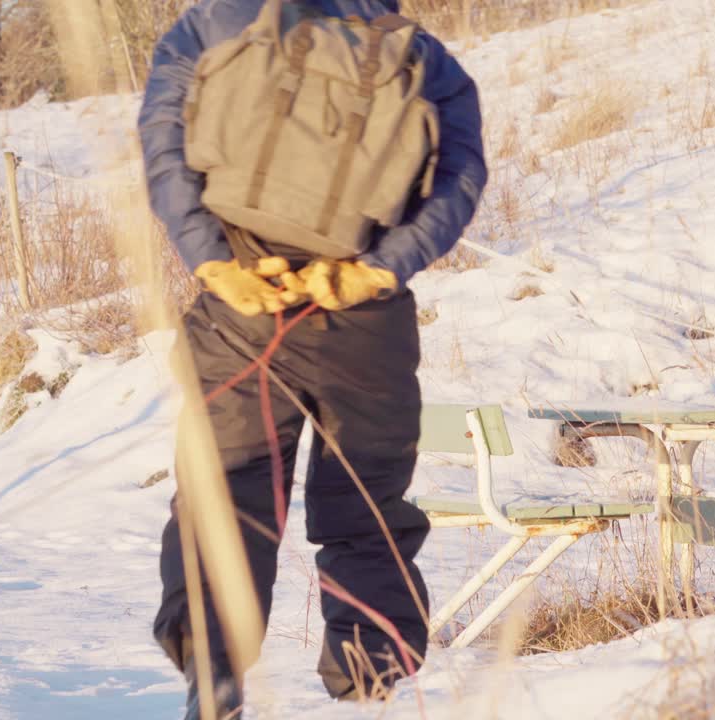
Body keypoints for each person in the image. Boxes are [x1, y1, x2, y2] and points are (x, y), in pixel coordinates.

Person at [137, 1, 486, 717]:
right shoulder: (421, 55)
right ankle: (373, 685)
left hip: (241, 303)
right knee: (366, 505)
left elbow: (165, 149)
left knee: (225, 489)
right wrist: (380, 269)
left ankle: (215, 672)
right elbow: (460, 177)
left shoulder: (206, 27)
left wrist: (213, 264)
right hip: (360, 318)